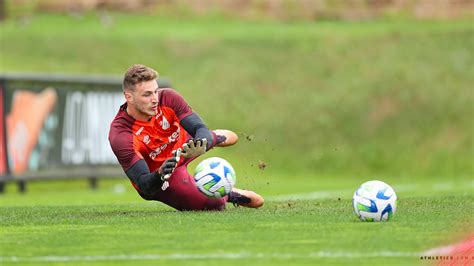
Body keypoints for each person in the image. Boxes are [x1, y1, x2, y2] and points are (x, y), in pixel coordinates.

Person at [108, 64, 264, 211]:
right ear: (129, 97)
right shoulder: (122, 135)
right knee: (215, 206)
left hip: (185, 147)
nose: (155, 99)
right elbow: (144, 185)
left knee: (230, 138)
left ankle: (215, 137)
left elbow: (198, 128)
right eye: (147, 94)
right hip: (164, 175)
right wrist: (160, 173)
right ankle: (226, 192)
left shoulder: (168, 98)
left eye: (155, 91)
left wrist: (204, 141)